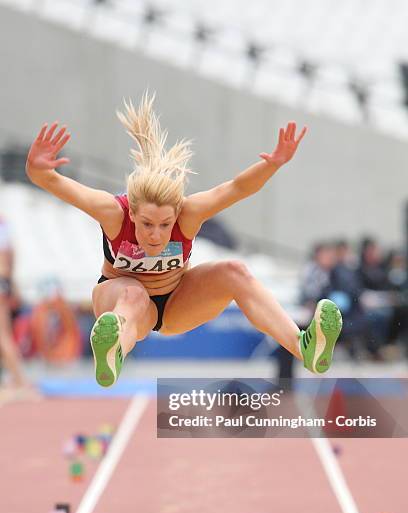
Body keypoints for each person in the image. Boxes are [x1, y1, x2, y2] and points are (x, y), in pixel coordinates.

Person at [26, 92, 342, 387]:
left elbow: (236, 188)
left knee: (235, 271)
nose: (156, 234)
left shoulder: (188, 215)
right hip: (119, 300)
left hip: (176, 303)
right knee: (134, 294)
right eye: (147, 224)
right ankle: (113, 352)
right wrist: (38, 170)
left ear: (175, 215)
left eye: (165, 225)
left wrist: (272, 163)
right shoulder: (112, 213)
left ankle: (305, 348)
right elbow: (55, 184)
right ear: (132, 214)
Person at [0, 216, 32, 390]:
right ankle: (17, 379)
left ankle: (21, 381)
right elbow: (10, 255)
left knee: (3, 336)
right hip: (3, 279)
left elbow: (8, 255)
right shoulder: (3, 224)